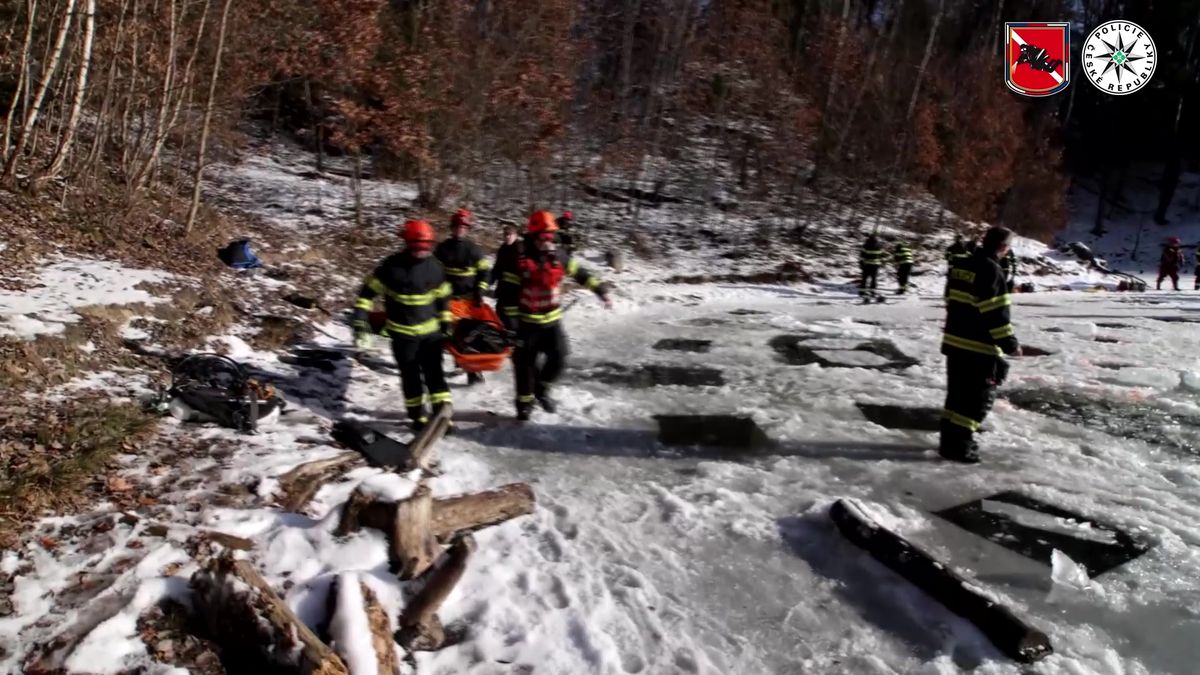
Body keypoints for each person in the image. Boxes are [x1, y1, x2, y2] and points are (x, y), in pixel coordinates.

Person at [352, 220, 453, 432]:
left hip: (431, 336)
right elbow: (366, 294)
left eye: (426, 246)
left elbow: (443, 296)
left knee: (436, 375)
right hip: (403, 337)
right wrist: (361, 320)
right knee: (411, 377)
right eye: (417, 246)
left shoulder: (435, 267)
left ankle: (442, 415)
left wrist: (446, 321)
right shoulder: (390, 268)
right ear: (407, 243)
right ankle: (418, 416)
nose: (422, 251)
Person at [513, 210, 612, 421]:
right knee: (525, 367)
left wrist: (601, 290)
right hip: (526, 324)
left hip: (551, 324)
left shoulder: (559, 256)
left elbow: (581, 274)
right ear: (534, 235)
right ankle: (524, 405)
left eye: (551, 236)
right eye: (544, 236)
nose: (548, 240)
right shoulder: (520, 257)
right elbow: (506, 290)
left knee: (559, 358)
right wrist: (509, 320)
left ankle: (542, 389)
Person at [940, 225, 1022, 464]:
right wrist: (1010, 344)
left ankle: (948, 443)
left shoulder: (960, 266)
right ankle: (961, 447)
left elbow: (949, 300)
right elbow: (995, 314)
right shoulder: (992, 270)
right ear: (1003, 247)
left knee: (956, 397)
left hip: (954, 344)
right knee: (976, 401)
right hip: (979, 348)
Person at [435, 208, 492, 383]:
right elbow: (432, 272)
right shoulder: (442, 249)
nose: (460, 229)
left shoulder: (474, 250)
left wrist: (480, 291)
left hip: (468, 300)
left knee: (468, 336)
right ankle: (439, 368)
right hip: (447, 300)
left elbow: (485, 273)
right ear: (452, 228)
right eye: (457, 226)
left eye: (464, 226)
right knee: (445, 335)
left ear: (468, 229)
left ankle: (473, 372)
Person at [490, 223, 523, 332]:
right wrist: (487, 282)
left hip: (515, 295)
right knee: (499, 319)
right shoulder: (503, 249)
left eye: (510, 234)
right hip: (502, 291)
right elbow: (497, 269)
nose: (507, 237)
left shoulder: (520, 250)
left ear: (516, 235)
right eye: (505, 234)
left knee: (512, 323)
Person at [859, 234, 887, 301]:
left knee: (864, 278)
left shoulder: (865, 245)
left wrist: (861, 264)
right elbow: (882, 256)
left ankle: (862, 292)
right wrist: (882, 263)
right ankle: (872, 292)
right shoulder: (879, 246)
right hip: (875, 265)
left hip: (867, 264)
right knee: (874, 279)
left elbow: (862, 256)